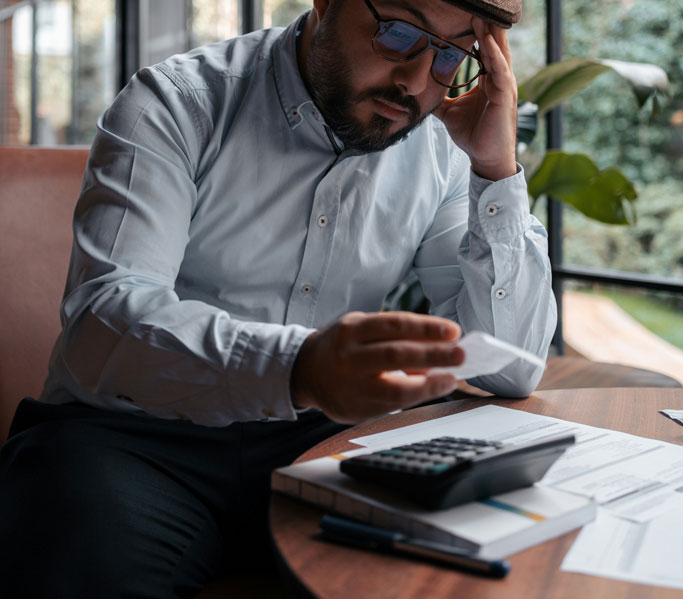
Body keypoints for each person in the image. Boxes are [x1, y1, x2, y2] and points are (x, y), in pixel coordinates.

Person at [0, 0, 556, 596]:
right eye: (398, 33)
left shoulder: (441, 148)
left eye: (452, 54)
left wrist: (495, 171)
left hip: (322, 442)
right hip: (130, 438)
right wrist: (301, 369)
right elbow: (105, 318)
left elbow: (509, 365)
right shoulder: (176, 102)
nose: (417, 82)